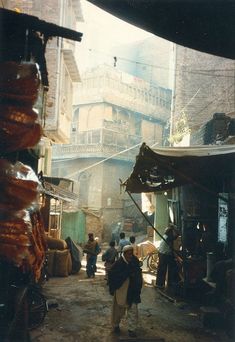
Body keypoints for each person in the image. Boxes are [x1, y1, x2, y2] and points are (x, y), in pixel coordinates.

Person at [108, 245, 143, 338]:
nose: (130, 256)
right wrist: (112, 288)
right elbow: (111, 275)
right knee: (118, 310)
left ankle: (132, 329)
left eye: (131, 253)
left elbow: (139, 274)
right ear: (124, 253)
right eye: (128, 254)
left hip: (133, 290)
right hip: (121, 290)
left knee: (133, 310)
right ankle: (115, 325)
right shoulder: (118, 263)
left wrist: (138, 287)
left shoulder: (134, 261)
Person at [156, 223, 180, 289]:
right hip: (164, 254)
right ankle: (160, 284)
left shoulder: (166, 235)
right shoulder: (168, 236)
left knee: (166, 268)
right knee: (162, 269)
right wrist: (177, 232)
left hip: (163, 253)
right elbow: (174, 238)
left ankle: (166, 283)